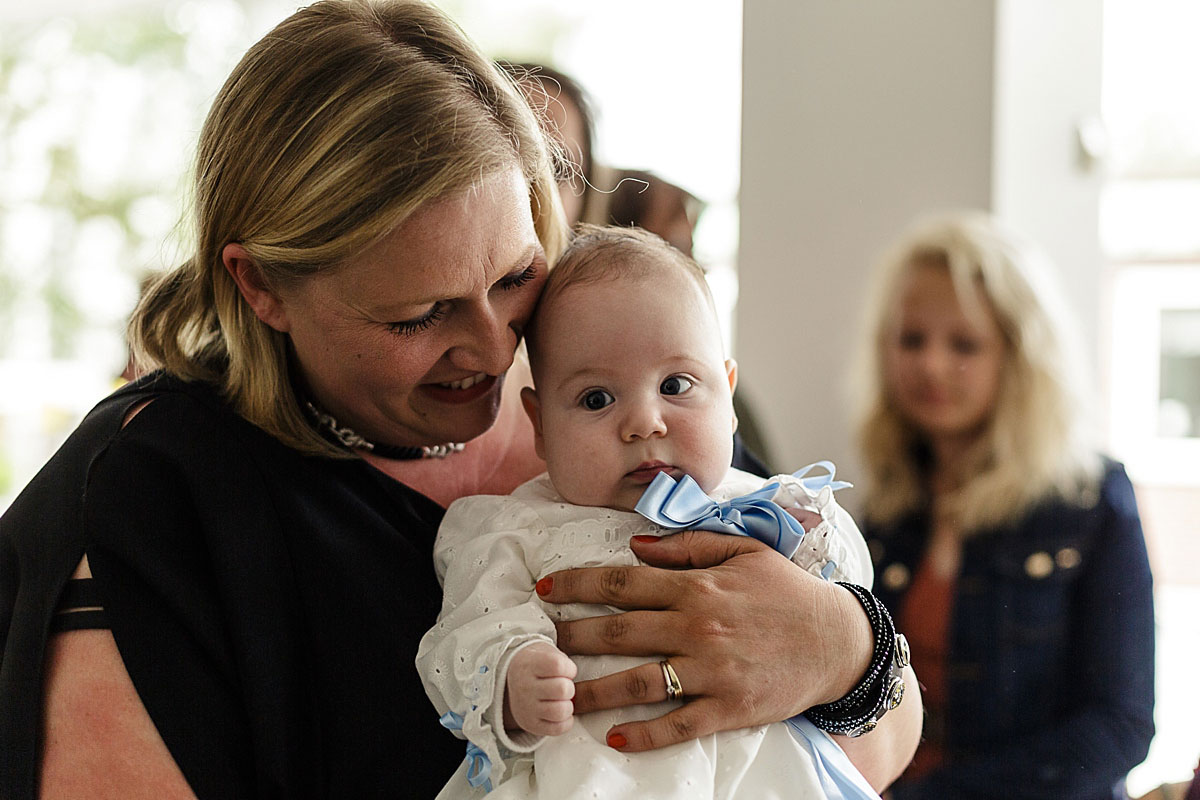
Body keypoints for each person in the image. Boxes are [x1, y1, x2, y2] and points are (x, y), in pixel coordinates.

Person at [0, 2, 921, 798]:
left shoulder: (604, 389)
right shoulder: (153, 500)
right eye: (419, 316)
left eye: (516, 276)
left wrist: (847, 649)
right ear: (261, 287)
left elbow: (889, 725)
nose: (493, 350)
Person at [419, 225, 910, 799]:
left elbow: (854, 601)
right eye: (596, 399)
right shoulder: (517, 528)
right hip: (592, 774)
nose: (644, 422)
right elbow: (466, 634)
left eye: (676, 385)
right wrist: (512, 672)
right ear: (541, 426)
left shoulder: (766, 504)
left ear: (727, 399)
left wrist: (821, 570)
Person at [852, 211, 1155, 800]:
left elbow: (1121, 727)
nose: (931, 364)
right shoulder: (888, 509)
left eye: (964, 343)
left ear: (1019, 354)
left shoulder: (1093, 502)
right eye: (912, 339)